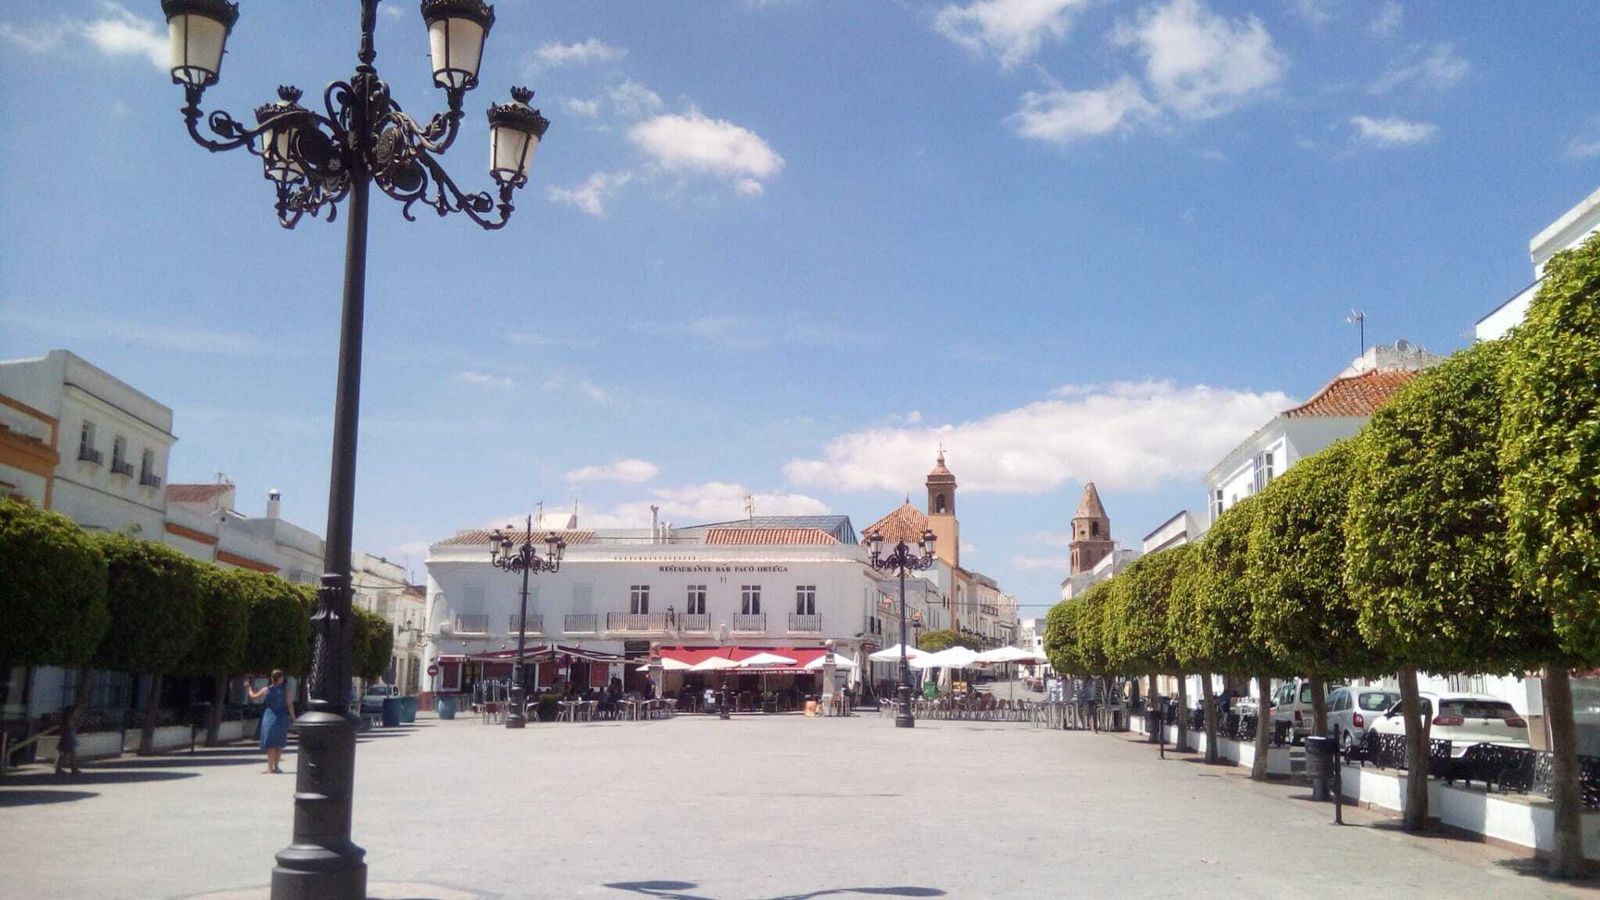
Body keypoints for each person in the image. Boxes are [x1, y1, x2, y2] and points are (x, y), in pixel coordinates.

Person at [245, 669, 293, 774]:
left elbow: (253, 696)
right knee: (279, 742)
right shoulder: (286, 690)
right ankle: (276, 767)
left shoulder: (266, 689)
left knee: (270, 743)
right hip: (282, 716)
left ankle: (270, 768)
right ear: (281, 678)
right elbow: (289, 705)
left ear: (272, 678)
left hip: (269, 716)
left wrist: (248, 688)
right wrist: (294, 717)